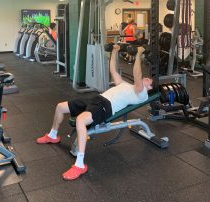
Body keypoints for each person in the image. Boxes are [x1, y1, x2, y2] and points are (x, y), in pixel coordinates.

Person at [36, 45, 153, 180]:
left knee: (80, 120)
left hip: (106, 106)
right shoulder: (126, 85)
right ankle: (53, 135)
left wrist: (139, 53)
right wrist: (114, 51)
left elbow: (137, 75)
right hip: (97, 99)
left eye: (149, 80)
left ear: (149, 88)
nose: (147, 78)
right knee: (60, 106)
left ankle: (79, 165)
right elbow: (113, 70)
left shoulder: (142, 93)